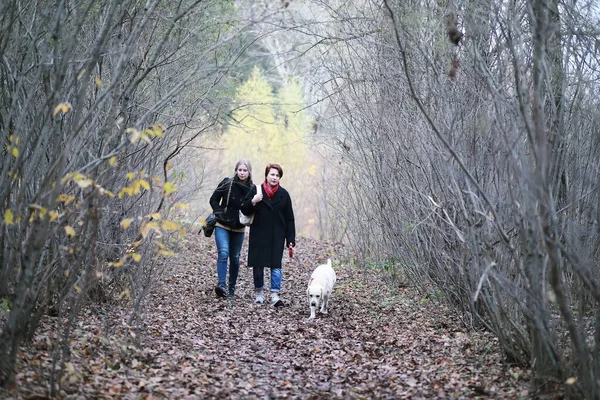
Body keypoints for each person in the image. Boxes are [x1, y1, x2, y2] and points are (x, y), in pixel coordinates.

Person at [240, 163, 295, 307]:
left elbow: (290, 218)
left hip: (277, 235)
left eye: (277, 175)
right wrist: (253, 201)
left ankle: (275, 296)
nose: (274, 178)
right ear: (266, 175)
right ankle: (259, 293)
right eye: (272, 174)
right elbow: (244, 209)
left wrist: (290, 239)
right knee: (258, 265)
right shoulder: (255, 190)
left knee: (276, 265)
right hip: (259, 233)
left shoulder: (284, 195)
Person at [209, 159, 254, 298]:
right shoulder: (227, 183)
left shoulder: (253, 189)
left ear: (249, 172)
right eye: (239, 170)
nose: (242, 173)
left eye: (244, 170)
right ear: (236, 170)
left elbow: (253, 209)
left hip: (239, 227)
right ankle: (221, 285)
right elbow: (213, 199)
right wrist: (219, 212)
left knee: (234, 257)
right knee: (223, 253)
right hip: (222, 224)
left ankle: (232, 288)